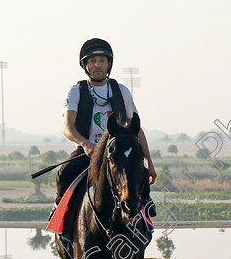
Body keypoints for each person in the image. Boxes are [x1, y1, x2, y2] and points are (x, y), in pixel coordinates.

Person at [55, 38, 156, 213]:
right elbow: (67, 126)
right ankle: (59, 214)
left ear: (109, 64)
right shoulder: (76, 91)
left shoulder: (122, 91)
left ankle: (145, 210)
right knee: (65, 172)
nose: (97, 65)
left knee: (138, 173)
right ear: (86, 66)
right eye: (92, 61)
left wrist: (149, 161)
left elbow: (136, 128)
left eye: (102, 61)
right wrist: (85, 143)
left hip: (116, 151)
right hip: (88, 151)